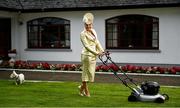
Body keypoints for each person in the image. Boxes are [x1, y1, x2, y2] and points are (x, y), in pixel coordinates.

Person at [79, 13, 104, 97]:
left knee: (91, 75)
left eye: (89, 25)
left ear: (91, 24)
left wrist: (102, 51)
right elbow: (86, 46)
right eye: (86, 25)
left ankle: (81, 88)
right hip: (86, 55)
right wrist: (97, 53)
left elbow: (97, 42)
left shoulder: (93, 31)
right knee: (85, 73)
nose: (88, 26)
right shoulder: (82, 34)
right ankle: (86, 91)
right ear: (84, 25)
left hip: (93, 56)